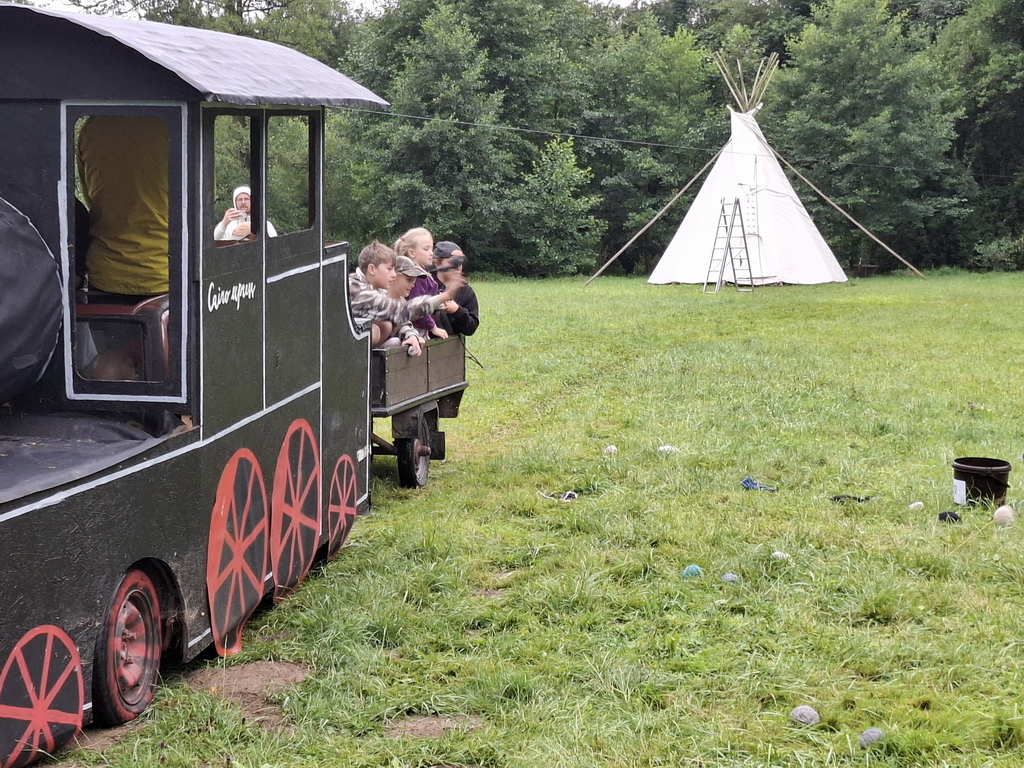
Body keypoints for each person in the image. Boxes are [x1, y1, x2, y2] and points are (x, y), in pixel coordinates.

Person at [78, 115, 169, 296]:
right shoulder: (175, 124)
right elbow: (201, 199)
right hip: (167, 272)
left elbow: (91, 196)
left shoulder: (93, 126)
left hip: (106, 273)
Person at [348, 241, 463, 355]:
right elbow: (399, 311)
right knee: (379, 328)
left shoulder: (377, 290)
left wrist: (410, 335)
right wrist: (444, 296)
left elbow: (398, 320)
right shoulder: (356, 290)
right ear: (372, 269)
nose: (394, 274)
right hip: (346, 354)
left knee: (388, 331)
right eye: (389, 269)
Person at [394, 227, 447, 340]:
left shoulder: (422, 272)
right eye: (426, 249)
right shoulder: (417, 278)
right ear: (412, 252)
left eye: (431, 249)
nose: (431, 253)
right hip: (415, 329)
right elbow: (418, 307)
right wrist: (433, 328)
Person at [433, 241, 480, 337]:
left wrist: (457, 311)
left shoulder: (465, 291)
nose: (458, 267)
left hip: (453, 345)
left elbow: (471, 328)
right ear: (438, 263)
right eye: (453, 262)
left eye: (460, 262)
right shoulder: (424, 285)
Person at [214, 185, 278, 241]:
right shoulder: (228, 225)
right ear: (235, 202)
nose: (243, 202)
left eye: (247, 199)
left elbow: (275, 245)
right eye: (240, 199)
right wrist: (224, 224)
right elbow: (214, 241)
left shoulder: (264, 224)